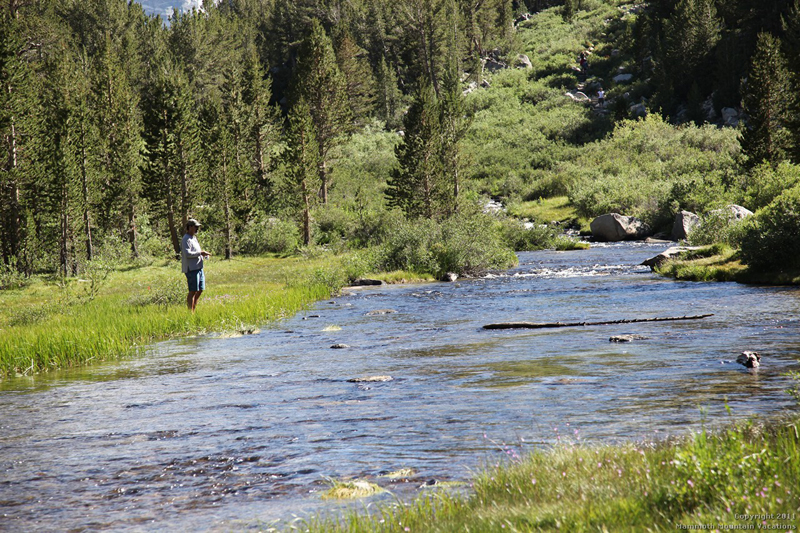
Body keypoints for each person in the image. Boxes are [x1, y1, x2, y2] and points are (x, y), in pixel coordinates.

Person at [181, 218, 211, 313]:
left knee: (200, 290)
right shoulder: (186, 239)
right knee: (193, 291)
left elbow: (197, 252)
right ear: (189, 227)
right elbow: (187, 254)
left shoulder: (194, 238)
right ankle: (190, 312)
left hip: (199, 268)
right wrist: (200, 253)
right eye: (195, 227)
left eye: (197, 227)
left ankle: (194, 309)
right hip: (191, 269)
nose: (197, 229)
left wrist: (204, 256)